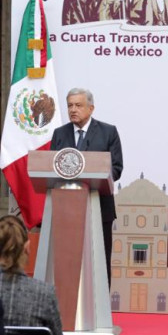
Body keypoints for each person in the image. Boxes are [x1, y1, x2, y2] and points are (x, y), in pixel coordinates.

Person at [50, 88, 123, 285]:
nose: (73, 110)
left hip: (99, 207)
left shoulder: (109, 132)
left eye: (78, 105)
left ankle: (101, 310)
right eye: (70, 106)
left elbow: (116, 168)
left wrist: (95, 179)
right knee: (67, 261)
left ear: (91, 108)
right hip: (67, 209)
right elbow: (50, 168)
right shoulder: (59, 134)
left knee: (100, 261)